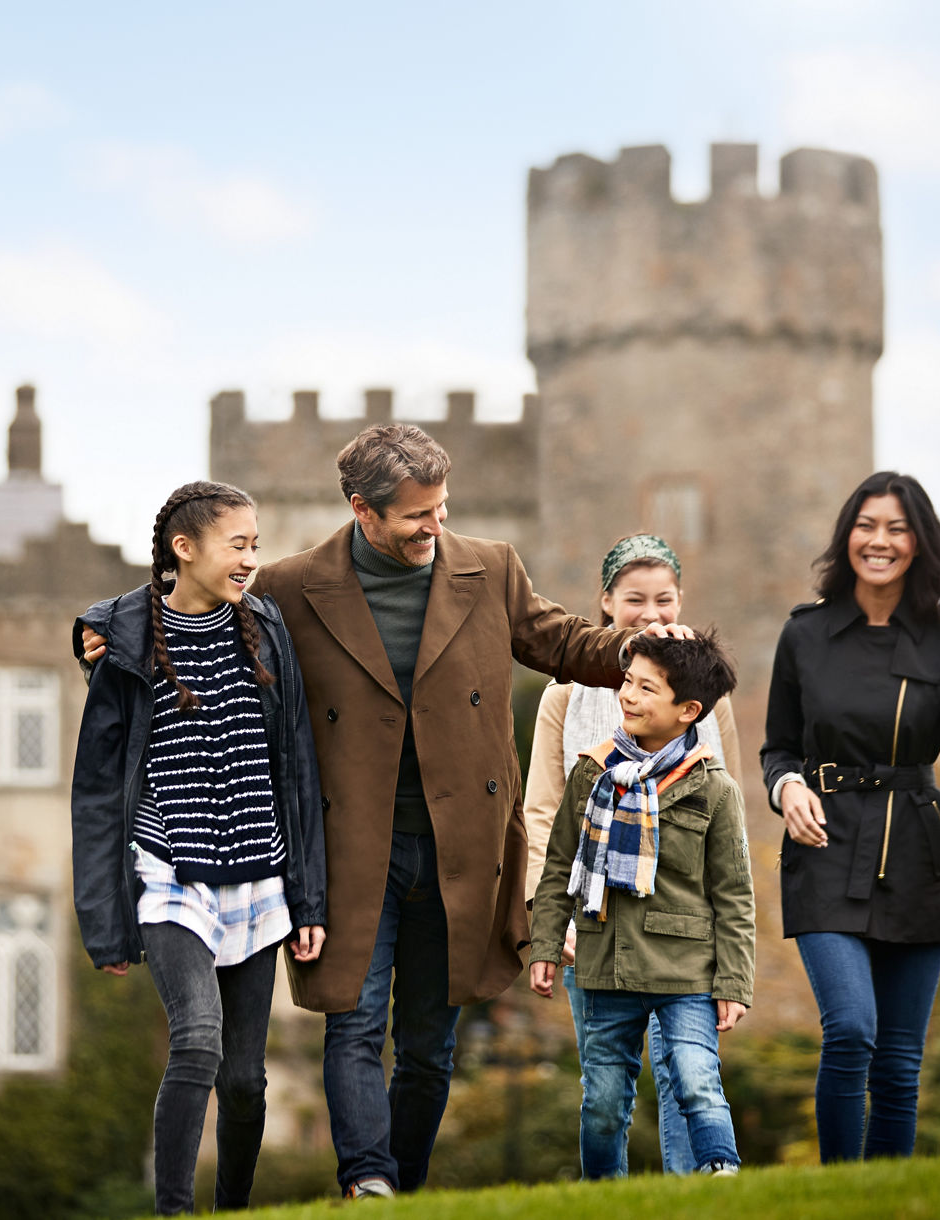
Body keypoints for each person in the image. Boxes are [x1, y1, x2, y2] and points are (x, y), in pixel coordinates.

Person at [80, 424, 689, 1199]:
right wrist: (101, 626)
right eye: (415, 516)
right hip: (352, 845)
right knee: (355, 1024)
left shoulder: (490, 568)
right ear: (364, 513)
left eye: (441, 508)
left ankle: (403, 1182)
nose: (435, 527)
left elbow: (561, 642)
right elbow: (190, 599)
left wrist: (640, 645)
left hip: (457, 845)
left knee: (431, 1048)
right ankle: (367, 1180)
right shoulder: (293, 587)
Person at [70, 481, 327, 1215]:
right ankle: (175, 1211)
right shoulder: (124, 640)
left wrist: (308, 896)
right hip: (170, 874)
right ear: (184, 549)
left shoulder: (268, 631)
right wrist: (107, 921)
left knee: (245, 1080)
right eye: (237, 544)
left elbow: (298, 768)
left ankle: (235, 1208)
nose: (252, 559)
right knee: (199, 1041)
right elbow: (97, 795)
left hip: (257, 875)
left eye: (256, 543)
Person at [760, 471, 940, 1164]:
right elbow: (778, 747)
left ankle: (885, 1196)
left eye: (897, 528)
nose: (879, 541)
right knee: (850, 1029)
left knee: (900, 1063)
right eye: (867, 525)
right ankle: (836, 1192)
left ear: (919, 544)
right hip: (823, 847)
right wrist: (787, 786)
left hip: (917, 850)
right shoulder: (805, 635)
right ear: (847, 534)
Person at [523, 534, 742, 1174]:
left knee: (686, 1072)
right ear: (606, 603)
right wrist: (548, 914)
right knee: (606, 1085)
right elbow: (543, 813)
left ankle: (693, 1187)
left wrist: (725, 951)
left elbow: (721, 817)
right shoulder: (564, 697)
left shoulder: (705, 701)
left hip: (679, 925)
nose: (650, 614)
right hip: (594, 921)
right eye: (634, 600)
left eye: (664, 599)